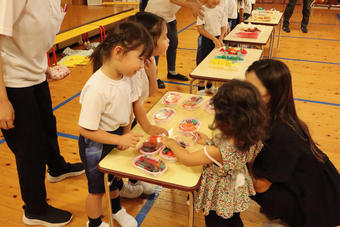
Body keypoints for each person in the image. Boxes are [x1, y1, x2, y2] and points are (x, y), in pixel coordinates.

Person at [0, 1, 85, 226]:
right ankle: (34, 209)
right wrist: (1, 101)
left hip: (34, 73)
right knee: (29, 148)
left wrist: (43, 66)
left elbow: (35, 33)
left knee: (48, 127)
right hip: (13, 82)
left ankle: (57, 168)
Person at [245, 59, 340, 227]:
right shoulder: (277, 113)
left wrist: (240, 163)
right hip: (318, 186)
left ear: (271, 94)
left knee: (237, 179)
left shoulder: (281, 133)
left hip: (316, 203)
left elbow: (259, 186)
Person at [78, 21, 155, 227]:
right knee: (96, 190)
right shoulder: (97, 87)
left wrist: (126, 134)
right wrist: (119, 138)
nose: (141, 65)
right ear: (119, 52)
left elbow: (128, 111)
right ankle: (93, 223)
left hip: (116, 135)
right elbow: (86, 129)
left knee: (114, 180)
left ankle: (116, 210)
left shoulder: (126, 77)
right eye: (139, 58)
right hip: (95, 144)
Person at [162, 80, 268, 227]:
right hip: (236, 186)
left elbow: (187, 159)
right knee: (233, 217)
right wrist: (208, 142)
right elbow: (229, 157)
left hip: (220, 196)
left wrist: (171, 143)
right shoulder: (251, 136)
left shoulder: (217, 151)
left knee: (216, 222)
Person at [119, 12, 170, 199]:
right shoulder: (131, 65)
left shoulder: (148, 60)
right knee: (121, 154)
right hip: (124, 120)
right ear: (149, 40)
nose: (168, 41)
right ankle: (122, 185)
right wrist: (144, 127)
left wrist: (153, 73)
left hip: (134, 116)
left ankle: (134, 180)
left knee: (136, 145)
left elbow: (150, 93)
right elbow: (132, 104)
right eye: (164, 37)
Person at [145, 0, 205, 88]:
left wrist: (198, 5)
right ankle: (154, 77)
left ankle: (172, 72)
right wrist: (192, 5)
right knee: (156, 47)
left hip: (169, 17)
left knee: (173, 43)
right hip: (155, 15)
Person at [196, 0, 228, 95]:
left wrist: (221, 38)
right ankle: (200, 88)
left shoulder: (221, 10)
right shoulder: (202, 10)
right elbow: (200, 29)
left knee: (213, 63)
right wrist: (213, 39)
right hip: (206, 40)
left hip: (217, 40)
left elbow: (223, 27)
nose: (215, 1)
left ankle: (209, 86)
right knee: (202, 62)